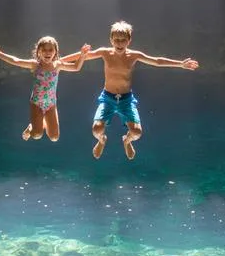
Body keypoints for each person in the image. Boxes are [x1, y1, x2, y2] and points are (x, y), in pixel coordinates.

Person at [66, 21, 198, 160]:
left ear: (129, 40)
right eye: (116, 40)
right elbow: (82, 56)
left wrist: (181, 64)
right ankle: (101, 140)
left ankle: (127, 140)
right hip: (108, 98)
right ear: (111, 40)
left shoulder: (134, 55)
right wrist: (56, 61)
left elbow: (157, 61)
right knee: (96, 129)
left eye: (123, 40)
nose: (119, 43)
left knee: (136, 132)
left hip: (126, 100)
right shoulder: (105, 52)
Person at [0, 37, 90, 142]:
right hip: (36, 103)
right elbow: (16, 61)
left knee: (54, 137)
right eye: (44, 50)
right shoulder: (35, 65)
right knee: (37, 135)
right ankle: (30, 128)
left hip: (51, 104)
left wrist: (82, 55)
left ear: (55, 52)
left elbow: (76, 67)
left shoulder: (58, 65)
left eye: (50, 50)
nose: (47, 53)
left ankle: (42, 120)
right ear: (39, 52)